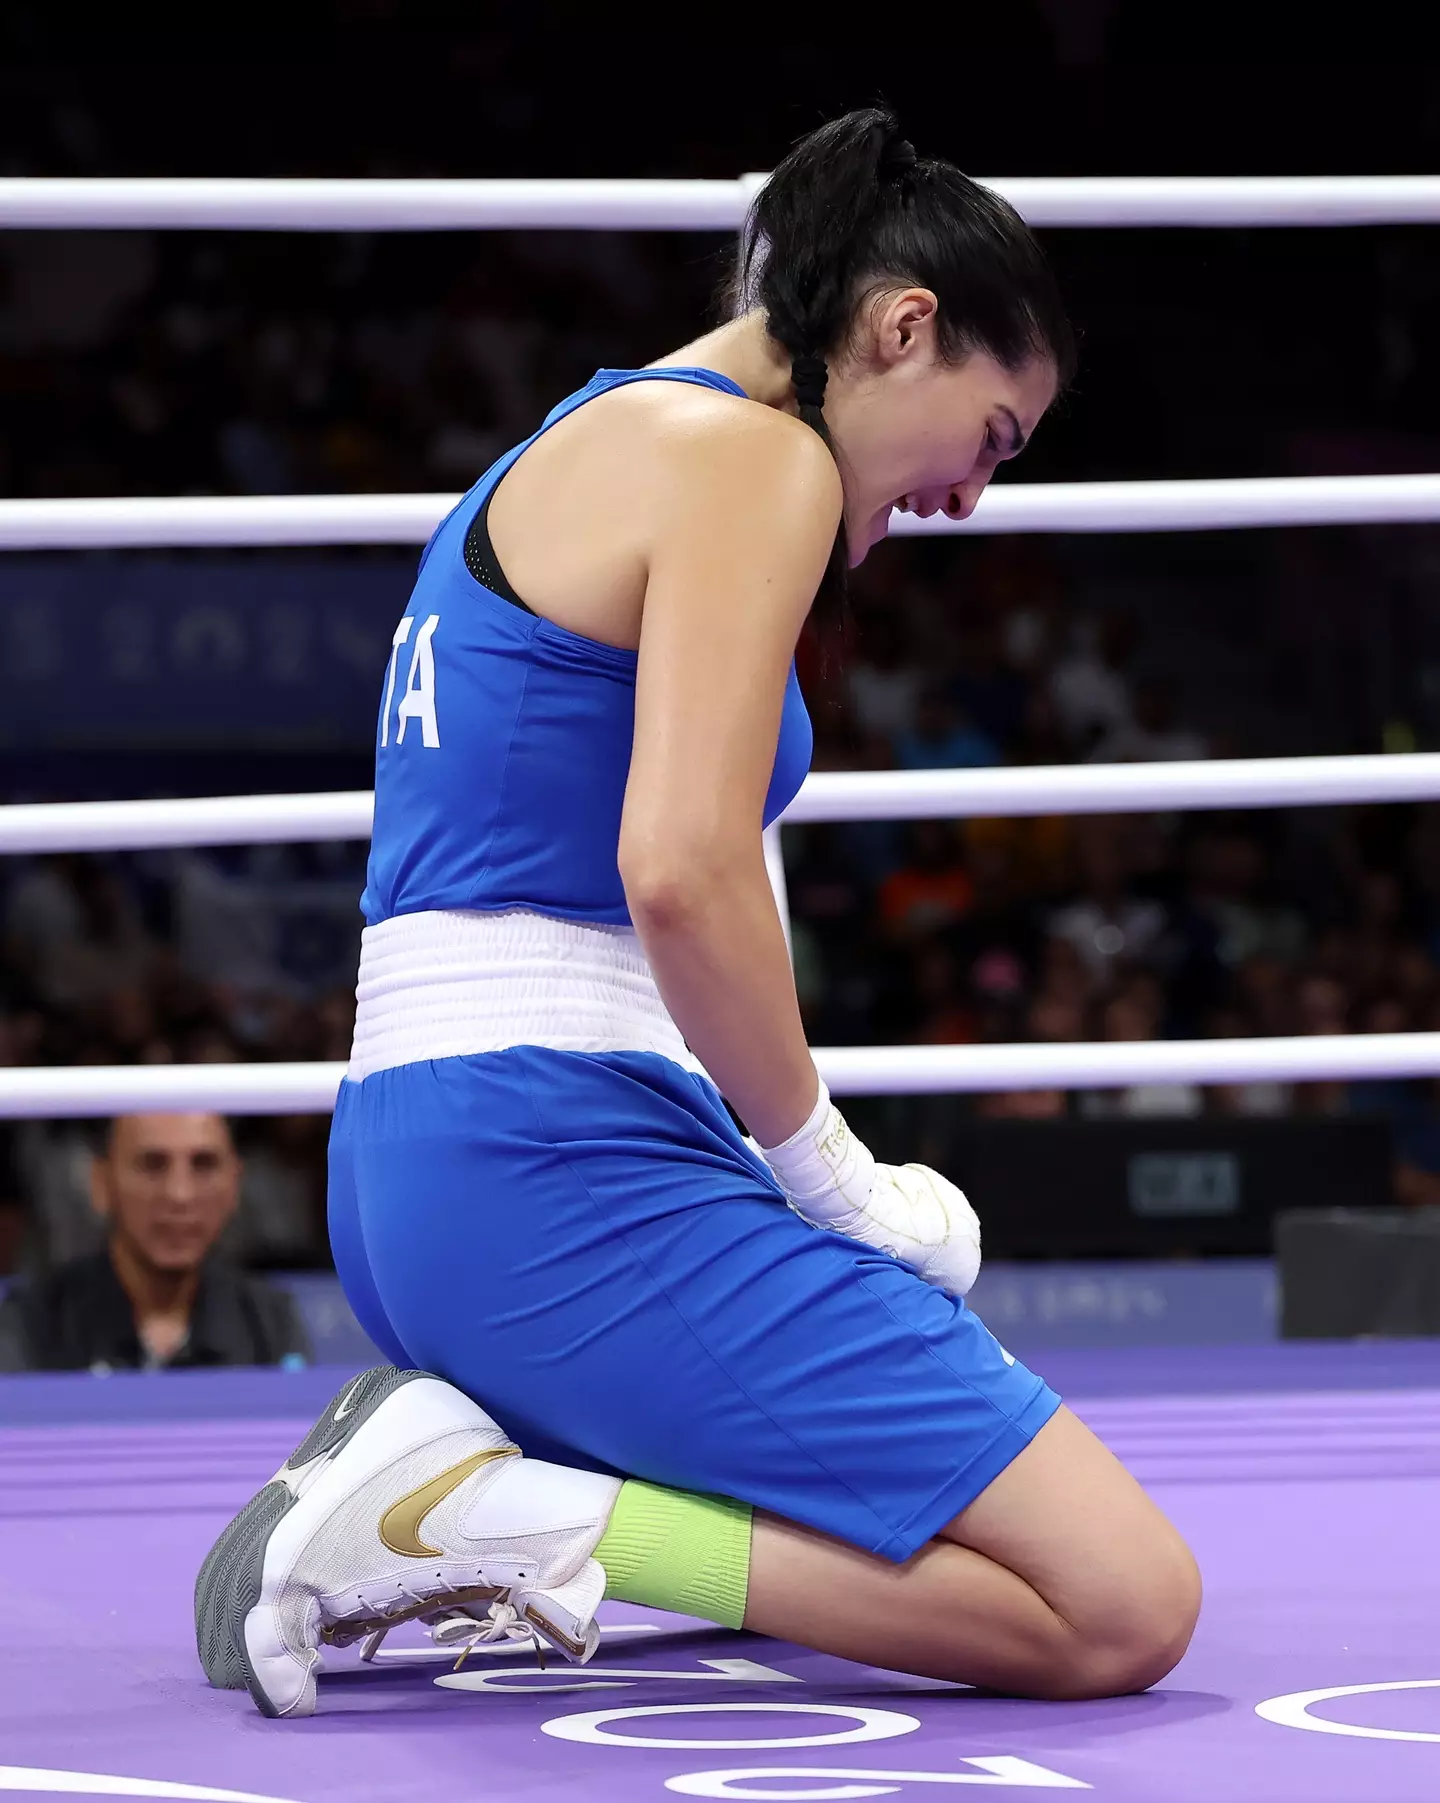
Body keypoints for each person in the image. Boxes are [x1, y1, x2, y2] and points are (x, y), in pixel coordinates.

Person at [197, 108, 1199, 1720]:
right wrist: (837, 1180)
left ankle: (477, 1484)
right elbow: (678, 864)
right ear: (903, 328)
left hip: (425, 1174)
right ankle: (486, 1515)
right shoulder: (755, 455)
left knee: (883, 1543)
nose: (969, 497)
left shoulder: (580, 437)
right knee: (1118, 1604)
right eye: (995, 436)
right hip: (548, 1166)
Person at [0, 1112, 308, 1372]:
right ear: (101, 1183)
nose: (179, 1195)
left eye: (204, 1164)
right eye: (152, 1164)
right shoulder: (31, 1324)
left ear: (234, 1183)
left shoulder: (269, 1322)